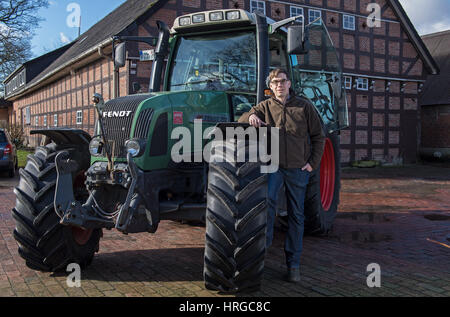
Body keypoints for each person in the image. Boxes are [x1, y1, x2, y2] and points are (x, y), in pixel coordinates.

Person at [238, 68, 325, 283]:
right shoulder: (266, 106)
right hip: (274, 167)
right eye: (275, 82)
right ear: (271, 86)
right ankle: (262, 254)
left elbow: (319, 137)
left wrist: (311, 164)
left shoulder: (304, 107)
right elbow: (242, 118)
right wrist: (252, 117)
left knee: (296, 215)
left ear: (289, 84)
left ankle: (293, 265)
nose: (279, 85)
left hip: (297, 169)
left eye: (282, 81)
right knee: (267, 205)